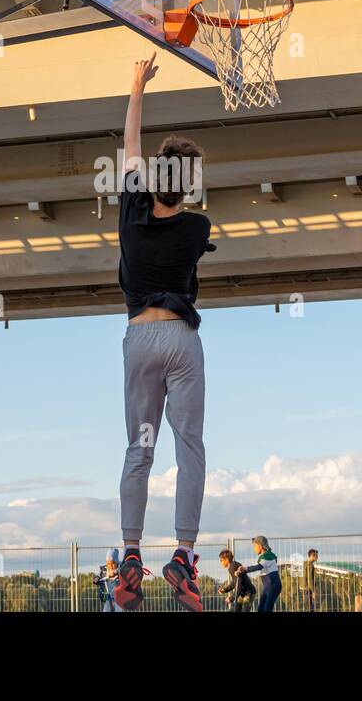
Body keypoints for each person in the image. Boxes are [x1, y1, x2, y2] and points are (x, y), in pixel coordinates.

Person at [112, 54, 215, 614]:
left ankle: (131, 554)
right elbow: (182, 209)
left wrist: (137, 84)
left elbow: (130, 147)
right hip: (180, 339)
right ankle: (183, 556)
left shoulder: (130, 211)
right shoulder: (198, 227)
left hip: (138, 340)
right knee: (190, 445)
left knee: (139, 450)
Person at [238, 535, 283, 612]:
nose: (254, 548)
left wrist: (245, 569)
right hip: (268, 587)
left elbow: (258, 567)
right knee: (260, 609)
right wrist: (243, 569)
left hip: (273, 586)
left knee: (266, 609)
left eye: (254, 546)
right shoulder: (264, 557)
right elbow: (255, 565)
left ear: (260, 546)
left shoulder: (268, 555)